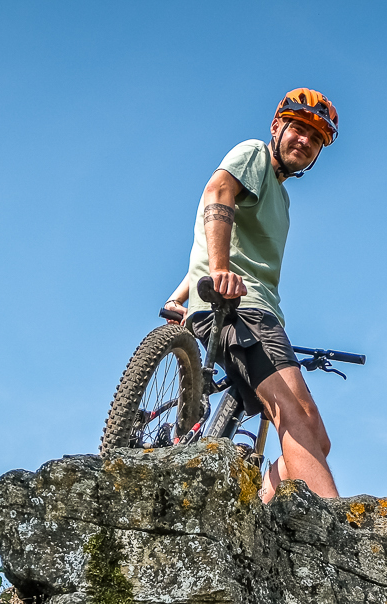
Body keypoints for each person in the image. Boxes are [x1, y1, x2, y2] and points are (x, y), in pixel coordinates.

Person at [161, 90, 341, 502]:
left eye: (315, 139)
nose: (305, 142)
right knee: (296, 417)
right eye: (298, 129)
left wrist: (178, 298)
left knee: (316, 436)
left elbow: (218, 249)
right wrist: (220, 273)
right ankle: (341, 541)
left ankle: (258, 510)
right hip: (242, 308)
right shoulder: (254, 155)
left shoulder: (283, 198)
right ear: (276, 127)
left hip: (259, 311)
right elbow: (217, 193)